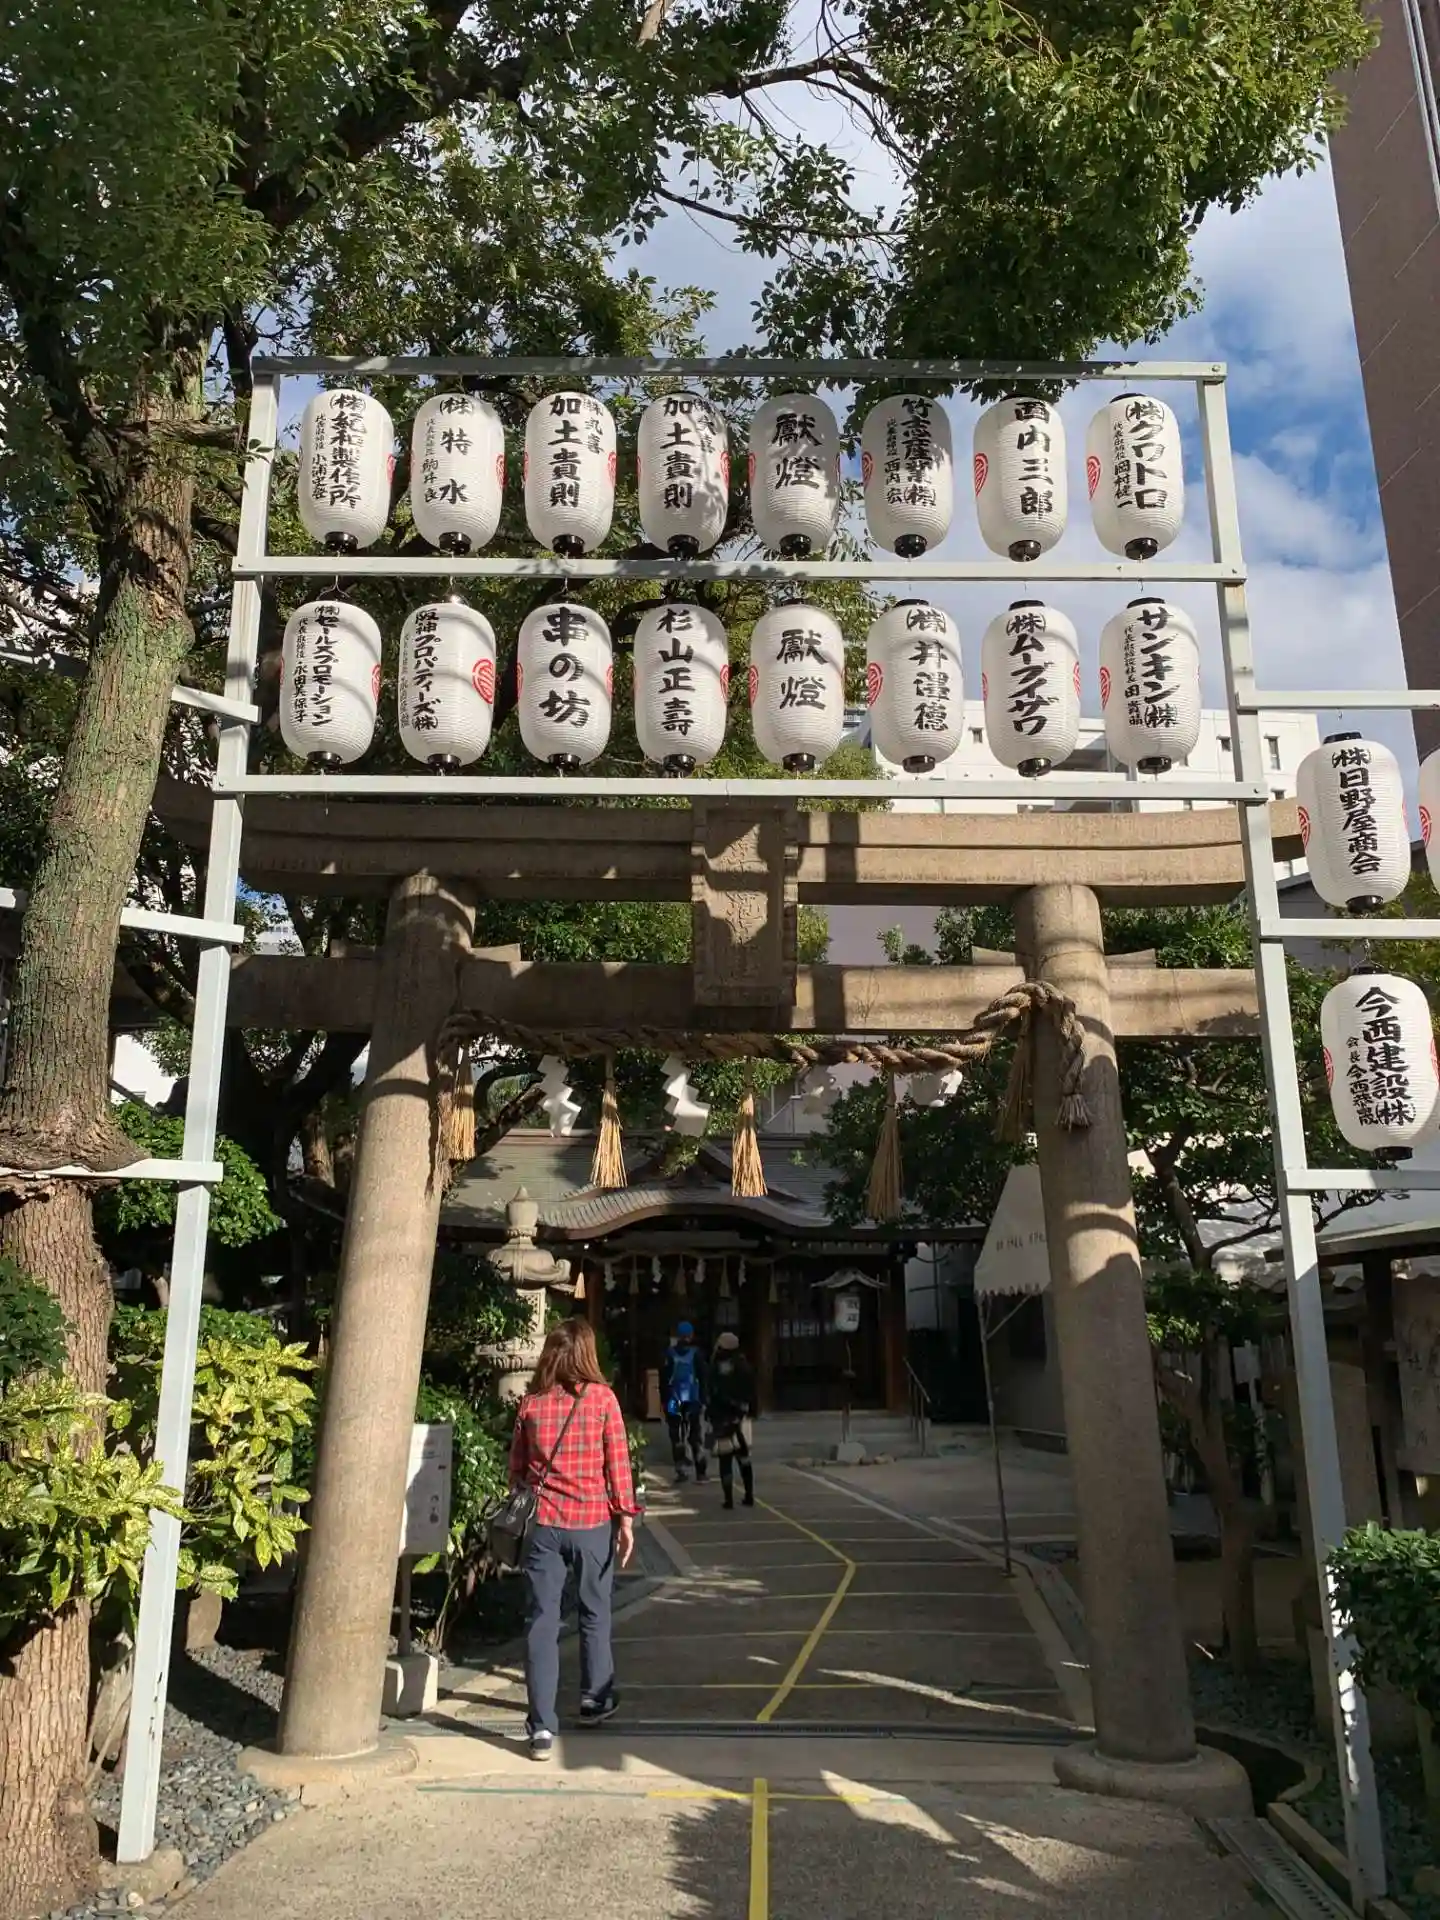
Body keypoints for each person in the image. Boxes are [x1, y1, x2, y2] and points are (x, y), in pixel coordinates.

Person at [508, 1317, 638, 1762]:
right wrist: (625, 1518)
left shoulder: (531, 1403)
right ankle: (594, 1699)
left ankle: (541, 1728)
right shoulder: (602, 1400)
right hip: (591, 1523)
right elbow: (618, 1464)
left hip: (543, 1526)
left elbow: (516, 1472)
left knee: (542, 1621)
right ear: (587, 1354)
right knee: (594, 1612)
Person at [708, 1331, 756, 1510]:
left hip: (722, 1418)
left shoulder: (716, 1367)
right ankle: (749, 1495)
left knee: (725, 1459)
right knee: (744, 1457)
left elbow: (712, 1392)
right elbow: (752, 1392)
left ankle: (728, 1499)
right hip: (742, 1417)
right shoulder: (744, 1366)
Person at [661, 1319, 709, 1483]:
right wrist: (704, 1399)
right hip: (693, 1399)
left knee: (676, 1434)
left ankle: (681, 1470)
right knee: (695, 1435)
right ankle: (701, 1473)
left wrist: (664, 1402)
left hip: (673, 1400)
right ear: (691, 1335)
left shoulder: (669, 1354)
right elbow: (703, 1378)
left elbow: (664, 1380)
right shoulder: (697, 1354)